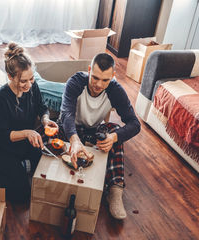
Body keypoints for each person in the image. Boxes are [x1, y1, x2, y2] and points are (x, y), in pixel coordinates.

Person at [0, 42, 58, 202]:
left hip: (25, 147)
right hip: (2, 150)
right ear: (10, 77)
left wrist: (45, 120)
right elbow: (2, 135)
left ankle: (21, 167)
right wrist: (28, 133)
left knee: (50, 169)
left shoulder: (32, 87)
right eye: (23, 81)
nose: (29, 85)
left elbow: (42, 108)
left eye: (31, 79)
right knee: (22, 195)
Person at [58, 53, 140, 219]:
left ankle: (115, 191)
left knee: (116, 131)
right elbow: (66, 114)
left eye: (105, 80)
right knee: (47, 133)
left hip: (94, 130)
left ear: (113, 77)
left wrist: (113, 138)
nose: (98, 84)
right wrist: (74, 140)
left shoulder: (115, 90)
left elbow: (134, 124)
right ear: (89, 70)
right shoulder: (75, 82)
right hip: (71, 128)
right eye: (95, 78)